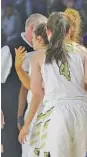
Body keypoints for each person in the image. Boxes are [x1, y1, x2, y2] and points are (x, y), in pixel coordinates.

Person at [18, 12, 87, 157]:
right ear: (69, 31)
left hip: (57, 112)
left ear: (48, 31)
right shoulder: (81, 51)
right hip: (82, 111)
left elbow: (37, 93)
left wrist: (26, 124)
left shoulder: (39, 56)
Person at [15, 13, 47, 157]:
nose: (31, 42)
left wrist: (26, 123)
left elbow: (35, 91)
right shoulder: (66, 55)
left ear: (38, 36)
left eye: (33, 38)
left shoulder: (35, 57)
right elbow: (27, 87)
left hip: (39, 116)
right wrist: (20, 116)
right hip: (57, 115)